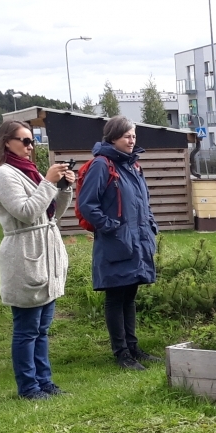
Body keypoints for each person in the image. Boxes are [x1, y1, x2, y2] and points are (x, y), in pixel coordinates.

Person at [0, 119, 72, 400]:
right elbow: (26, 212)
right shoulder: (4, 174)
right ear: (6, 143)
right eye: (24, 140)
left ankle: (44, 381)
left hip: (46, 251)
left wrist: (62, 188)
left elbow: (51, 214)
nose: (30, 145)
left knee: (42, 328)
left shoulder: (31, 171)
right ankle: (28, 387)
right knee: (26, 329)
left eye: (32, 140)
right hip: (24, 253)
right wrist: (48, 182)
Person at [77, 116, 159, 370]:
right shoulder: (102, 165)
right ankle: (121, 353)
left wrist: (150, 224)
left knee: (129, 296)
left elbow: (142, 202)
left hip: (137, 241)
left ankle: (133, 347)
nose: (132, 140)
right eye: (127, 136)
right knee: (115, 296)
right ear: (113, 137)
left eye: (134, 135)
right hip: (116, 242)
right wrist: (111, 226)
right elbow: (87, 204)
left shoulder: (133, 166)